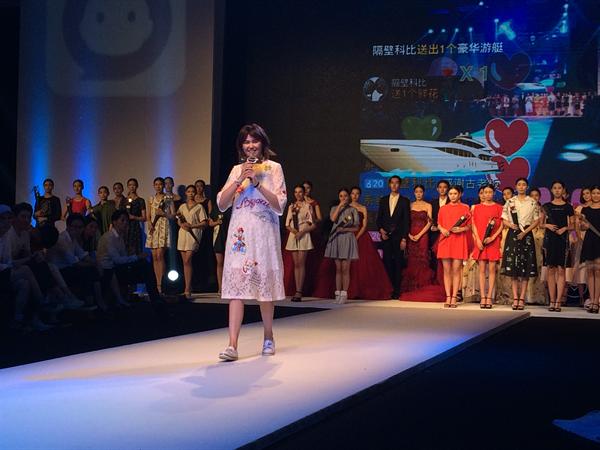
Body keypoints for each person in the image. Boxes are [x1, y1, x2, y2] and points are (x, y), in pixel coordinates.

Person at [216, 124, 287, 361]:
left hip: (263, 236)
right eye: (246, 142)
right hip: (240, 237)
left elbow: (279, 206)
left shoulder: (274, 168)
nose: (250, 146)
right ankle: (232, 345)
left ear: (262, 143)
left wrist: (256, 183)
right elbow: (221, 204)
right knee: (236, 289)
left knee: (263, 290)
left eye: (254, 141)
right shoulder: (237, 170)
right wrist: (240, 179)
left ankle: (268, 336)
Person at [97, 209, 164, 307]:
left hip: (117, 267)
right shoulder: (109, 237)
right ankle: (155, 297)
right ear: (114, 222)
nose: (125, 223)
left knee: (144, 265)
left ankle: (155, 296)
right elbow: (117, 260)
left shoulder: (120, 237)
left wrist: (132, 255)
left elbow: (123, 257)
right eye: (122, 220)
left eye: (126, 221)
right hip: (110, 269)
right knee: (143, 264)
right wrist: (136, 257)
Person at [46, 213, 103, 308]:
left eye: (80, 227)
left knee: (93, 270)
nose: (77, 230)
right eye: (75, 227)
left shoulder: (73, 239)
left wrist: (96, 263)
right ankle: (92, 302)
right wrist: (94, 265)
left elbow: (82, 254)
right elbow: (74, 262)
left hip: (67, 268)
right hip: (59, 271)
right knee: (89, 271)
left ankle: (94, 302)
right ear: (68, 226)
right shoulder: (62, 239)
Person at [501, 178, 541, 310]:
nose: (521, 187)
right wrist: (510, 225)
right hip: (513, 234)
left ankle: (522, 298)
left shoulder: (532, 202)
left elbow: (536, 220)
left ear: (527, 187)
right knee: (513, 267)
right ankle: (515, 298)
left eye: (524, 185)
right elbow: (504, 219)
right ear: (516, 187)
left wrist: (525, 232)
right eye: (519, 184)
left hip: (526, 235)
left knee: (526, 267)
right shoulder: (510, 201)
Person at [348, 186, 393, 300]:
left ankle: (362, 290)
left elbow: (364, 225)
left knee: (363, 264)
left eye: (357, 194)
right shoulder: (346, 207)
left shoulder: (363, 208)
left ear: (360, 195)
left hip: (361, 236)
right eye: (353, 193)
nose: (355, 196)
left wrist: (357, 237)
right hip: (347, 236)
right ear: (350, 195)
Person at [400, 185, 439, 300]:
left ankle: (422, 286)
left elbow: (429, 222)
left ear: (423, 193)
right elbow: (405, 221)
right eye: (416, 192)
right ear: (414, 193)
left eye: (420, 192)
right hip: (410, 235)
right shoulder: (410, 205)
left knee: (422, 260)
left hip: (423, 236)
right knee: (411, 260)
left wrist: (419, 235)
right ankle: (411, 288)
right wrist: (408, 235)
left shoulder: (428, 205)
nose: (418, 194)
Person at [541, 181, 574, 312]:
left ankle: (558, 301)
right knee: (550, 269)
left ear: (563, 190)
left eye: (559, 188)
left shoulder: (568, 206)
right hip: (550, 240)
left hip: (562, 240)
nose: (557, 190)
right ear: (551, 190)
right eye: (555, 188)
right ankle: (552, 301)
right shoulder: (546, 206)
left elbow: (572, 225)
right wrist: (547, 225)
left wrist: (564, 228)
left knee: (561, 270)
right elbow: (540, 224)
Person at [376, 176, 410, 299]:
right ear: (389, 184)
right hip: (386, 237)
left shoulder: (405, 201)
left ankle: (397, 290)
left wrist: (404, 239)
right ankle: (388, 289)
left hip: (399, 238)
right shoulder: (383, 200)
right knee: (387, 263)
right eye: (392, 183)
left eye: (397, 183)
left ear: (400, 185)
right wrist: (381, 231)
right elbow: (379, 219)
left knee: (398, 264)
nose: (394, 185)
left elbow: (406, 221)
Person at [436, 185, 471, 308]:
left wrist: (461, 229)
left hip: (458, 240)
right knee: (447, 270)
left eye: (455, 193)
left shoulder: (465, 207)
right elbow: (439, 223)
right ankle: (448, 296)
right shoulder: (443, 208)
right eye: (450, 194)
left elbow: (469, 226)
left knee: (456, 270)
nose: (452, 196)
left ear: (460, 194)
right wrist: (442, 229)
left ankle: (454, 296)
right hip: (445, 239)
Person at [323, 188, 359, 304]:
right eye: (341, 196)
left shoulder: (353, 210)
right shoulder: (334, 208)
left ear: (349, 197)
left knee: (345, 268)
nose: (343, 198)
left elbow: (356, 227)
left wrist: (344, 229)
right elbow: (333, 219)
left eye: (345, 196)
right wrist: (339, 206)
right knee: (338, 268)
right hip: (336, 238)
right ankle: (337, 293)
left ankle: (344, 293)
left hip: (347, 238)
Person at [471, 184, 504, 308]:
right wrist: (477, 240)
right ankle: (483, 297)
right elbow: (473, 224)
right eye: (486, 192)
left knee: (492, 269)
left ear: (493, 193)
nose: (488, 194)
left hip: (493, 242)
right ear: (482, 193)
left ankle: (489, 297)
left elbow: (501, 225)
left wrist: (493, 237)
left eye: (490, 192)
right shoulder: (476, 208)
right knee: (481, 270)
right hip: (480, 241)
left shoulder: (499, 207)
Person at [284, 184, 315, 302]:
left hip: (303, 235)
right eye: (296, 192)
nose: (298, 194)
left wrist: (302, 232)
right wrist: (294, 232)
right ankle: (297, 290)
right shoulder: (291, 206)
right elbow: (287, 224)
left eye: (300, 192)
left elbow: (313, 224)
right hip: (294, 235)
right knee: (296, 264)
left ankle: (299, 291)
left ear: (304, 193)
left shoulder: (308, 206)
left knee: (301, 263)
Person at [176, 185, 208, 300]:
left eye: (193, 191)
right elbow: (178, 220)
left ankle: (187, 288)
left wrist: (192, 225)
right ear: (186, 193)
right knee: (185, 262)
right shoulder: (182, 206)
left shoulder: (199, 207)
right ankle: (187, 286)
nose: (191, 193)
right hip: (183, 234)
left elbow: (204, 223)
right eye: (188, 191)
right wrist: (182, 225)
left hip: (194, 233)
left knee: (187, 260)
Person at [146, 177, 175, 294]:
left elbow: (173, 216)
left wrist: (163, 213)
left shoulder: (168, 198)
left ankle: (162, 284)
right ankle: (157, 283)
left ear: (163, 185)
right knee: (154, 256)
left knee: (160, 255)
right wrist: (149, 223)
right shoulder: (151, 199)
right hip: (153, 228)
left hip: (163, 226)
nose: (158, 186)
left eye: (160, 184)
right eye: (156, 184)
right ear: (153, 186)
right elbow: (148, 215)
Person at [579, 185, 600, 314]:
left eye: (598, 193)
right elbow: (581, 228)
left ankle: (596, 301)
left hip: (599, 241)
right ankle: (591, 300)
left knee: (598, 272)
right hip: (589, 241)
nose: (596, 195)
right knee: (590, 272)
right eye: (594, 193)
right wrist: (583, 225)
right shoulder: (585, 210)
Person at [571, 187, 592, 308]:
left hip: (594, 239)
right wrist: (579, 238)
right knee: (581, 268)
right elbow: (576, 225)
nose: (586, 195)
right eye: (584, 194)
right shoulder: (579, 209)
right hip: (582, 239)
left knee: (594, 267)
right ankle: (582, 297)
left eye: (588, 193)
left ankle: (594, 297)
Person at [526, 187, 547, 305]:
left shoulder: (542, 209)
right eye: (532, 195)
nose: (534, 198)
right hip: (528, 236)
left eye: (536, 195)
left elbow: (542, 224)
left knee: (538, 264)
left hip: (539, 238)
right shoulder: (525, 208)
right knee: (527, 264)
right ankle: (527, 296)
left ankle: (538, 296)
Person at [209, 207, 231, 294]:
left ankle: (230, 286)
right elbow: (210, 223)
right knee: (220, 262)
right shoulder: (216, 208)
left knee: (230, 263)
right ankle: (221, 287)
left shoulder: (231, 207)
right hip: (218, 236)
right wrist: (217, 222)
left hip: (230, 235)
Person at [124, 178, 146, 255]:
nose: (132, 187)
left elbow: (144, 218)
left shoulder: (140, 200)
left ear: (137, 186)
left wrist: (134, 217)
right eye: (130, 185)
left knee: (136, 248)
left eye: (134, 185)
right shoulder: (124, 200)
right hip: (125, 227)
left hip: (136, 227)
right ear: (127, 186)